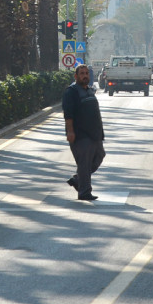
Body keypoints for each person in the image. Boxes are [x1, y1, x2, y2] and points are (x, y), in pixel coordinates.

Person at [63, 64, 105, 201]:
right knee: (84, 163)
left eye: (86, 73)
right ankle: (84, 192)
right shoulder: (72, 92)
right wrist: (70, 131)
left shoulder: (90, 90)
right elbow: (68, 114)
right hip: (80, 135)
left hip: (95, 135)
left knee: (100, 156)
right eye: (82, 73)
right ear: (76, 76)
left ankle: (77, 179)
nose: (85, 75)